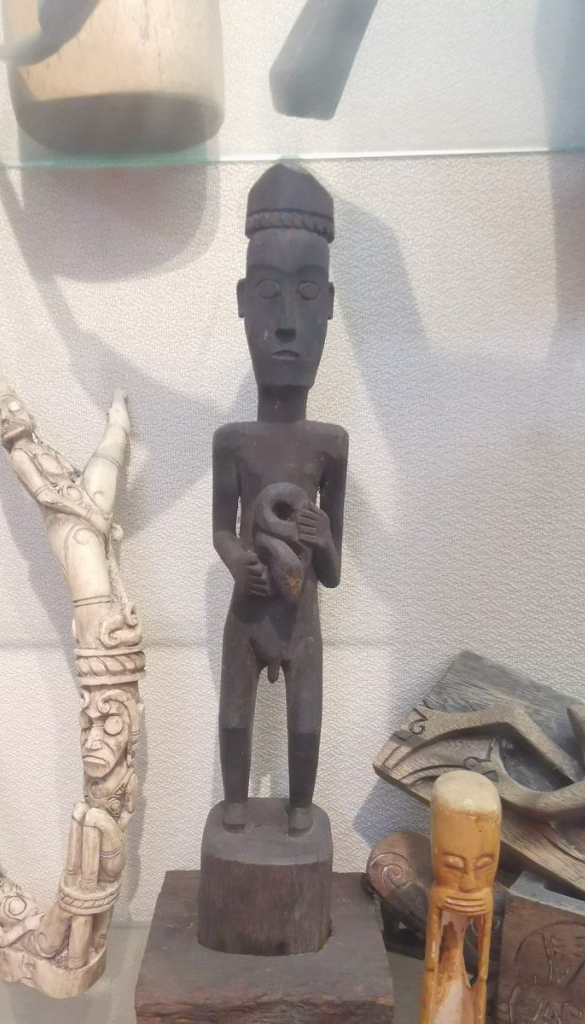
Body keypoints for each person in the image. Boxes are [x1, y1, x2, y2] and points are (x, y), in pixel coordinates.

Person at [213, 163, 348, 834]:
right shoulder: (233, 441)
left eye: (307, 293)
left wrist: (321, 539)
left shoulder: (331, 445)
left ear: (329, 304)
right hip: (249, 612)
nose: (288, 324)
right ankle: (236, 803)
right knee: (234, 717)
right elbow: (222, 529)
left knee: (305, 724)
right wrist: (238, 559)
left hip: (301, 623)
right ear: (242, 301)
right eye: (269, 292)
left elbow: (333, 573)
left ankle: (299, 806)